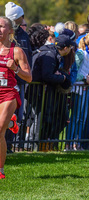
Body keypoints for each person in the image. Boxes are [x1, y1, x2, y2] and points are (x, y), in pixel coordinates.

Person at [0, 16, 32, 179]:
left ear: (10, 30)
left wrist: (16, 69)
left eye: (2, 27)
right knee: (1, 131)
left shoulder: (17, 51)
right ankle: (11, 122)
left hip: (9, 93)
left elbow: (29, 77)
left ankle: (0, 171)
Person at [66, 32, 89, 151]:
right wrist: (85, 78)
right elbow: (73, 71)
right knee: (76, 117)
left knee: (83, 118)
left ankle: (77, 143)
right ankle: (68, 143)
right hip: (79, 89)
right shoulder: (81, 54)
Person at [5, 1, 32, 152]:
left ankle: (9, 144)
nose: (23, 18)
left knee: (18, 116)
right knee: (8, 115)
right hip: (7, 81)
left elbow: (27, 58)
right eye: (21, 16)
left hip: (21, 80)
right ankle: (6, 144)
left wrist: (26, 74)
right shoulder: (10, 36)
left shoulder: (23, 36)